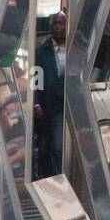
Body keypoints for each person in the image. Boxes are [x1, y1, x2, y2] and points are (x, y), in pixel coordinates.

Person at [32, 12, 68, 181]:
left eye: (61, 24)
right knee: (50, 145)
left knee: (59, 145)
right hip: (48, 104)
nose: (58, 27)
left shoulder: (74, 51)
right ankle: (54, 177)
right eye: (55, 24)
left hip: (67, 104)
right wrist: (35, 102)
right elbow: (35, 78)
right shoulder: (41, 51)